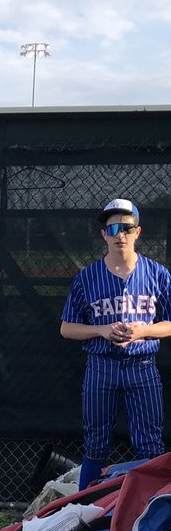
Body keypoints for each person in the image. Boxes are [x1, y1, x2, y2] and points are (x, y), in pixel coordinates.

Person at [60, 199, 171, 490]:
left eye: (126, 227)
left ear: (138, 232)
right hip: (101, 366)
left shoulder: (158, 274)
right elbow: (67, 328)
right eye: (112, 228)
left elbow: (170, 323)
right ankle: (83, 509)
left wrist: (142, 330)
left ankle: (152, 512)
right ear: (103, 235)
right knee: (96, 443)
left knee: (150, 443)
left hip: (142, 366)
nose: (119, 234)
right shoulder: (87, 277)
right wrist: (102, 330)